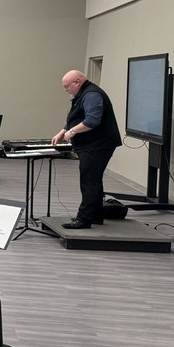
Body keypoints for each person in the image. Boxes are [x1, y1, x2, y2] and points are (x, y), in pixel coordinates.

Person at [51, 69, 122, 229]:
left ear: (77, 82)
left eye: (67, 86)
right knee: (94, 180)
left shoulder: (92, 95)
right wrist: (63, 132)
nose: (66, 90)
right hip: (93, 145)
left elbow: (92, 120)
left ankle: (83, 219)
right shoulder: (83, 94)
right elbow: (77, 116)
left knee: (89, 181)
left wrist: (72, 131)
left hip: (98, 146)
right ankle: (95, 215)